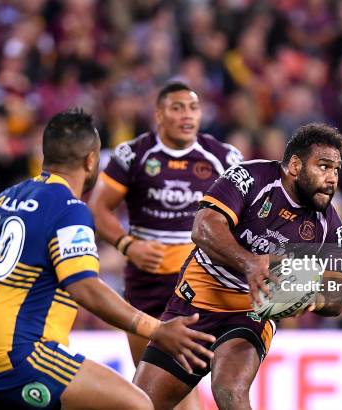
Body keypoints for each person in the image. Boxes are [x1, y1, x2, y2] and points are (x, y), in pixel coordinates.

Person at [0, 109, 215, 410]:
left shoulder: (5, 198)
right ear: (90, 160)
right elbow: (84, 287)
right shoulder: (69, 208)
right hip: (20, 356)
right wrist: (157, 330)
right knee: (136, 405)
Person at [133, 123, 342, 409]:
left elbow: (339, 293)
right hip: (198, 298)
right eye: (323, 167)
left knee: (229, 391)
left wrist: (313, 297)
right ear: (296, 165)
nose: (332, 178)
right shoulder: (251, 177)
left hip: (252, 311)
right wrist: (249, 264)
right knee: (141, 404)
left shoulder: (329, 225)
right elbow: (203, 227)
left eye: (335, 170)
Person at [88, 81, 241, 408]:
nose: (187, 115)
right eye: (177, 107)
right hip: (144, 286)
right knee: (150, 393)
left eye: (193, 107)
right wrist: (127, 244)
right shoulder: (134, 155)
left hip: (193, 288)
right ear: (159, 115)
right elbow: (98, 207)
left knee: (174, 387)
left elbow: (247, 216)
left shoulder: (223, 158)